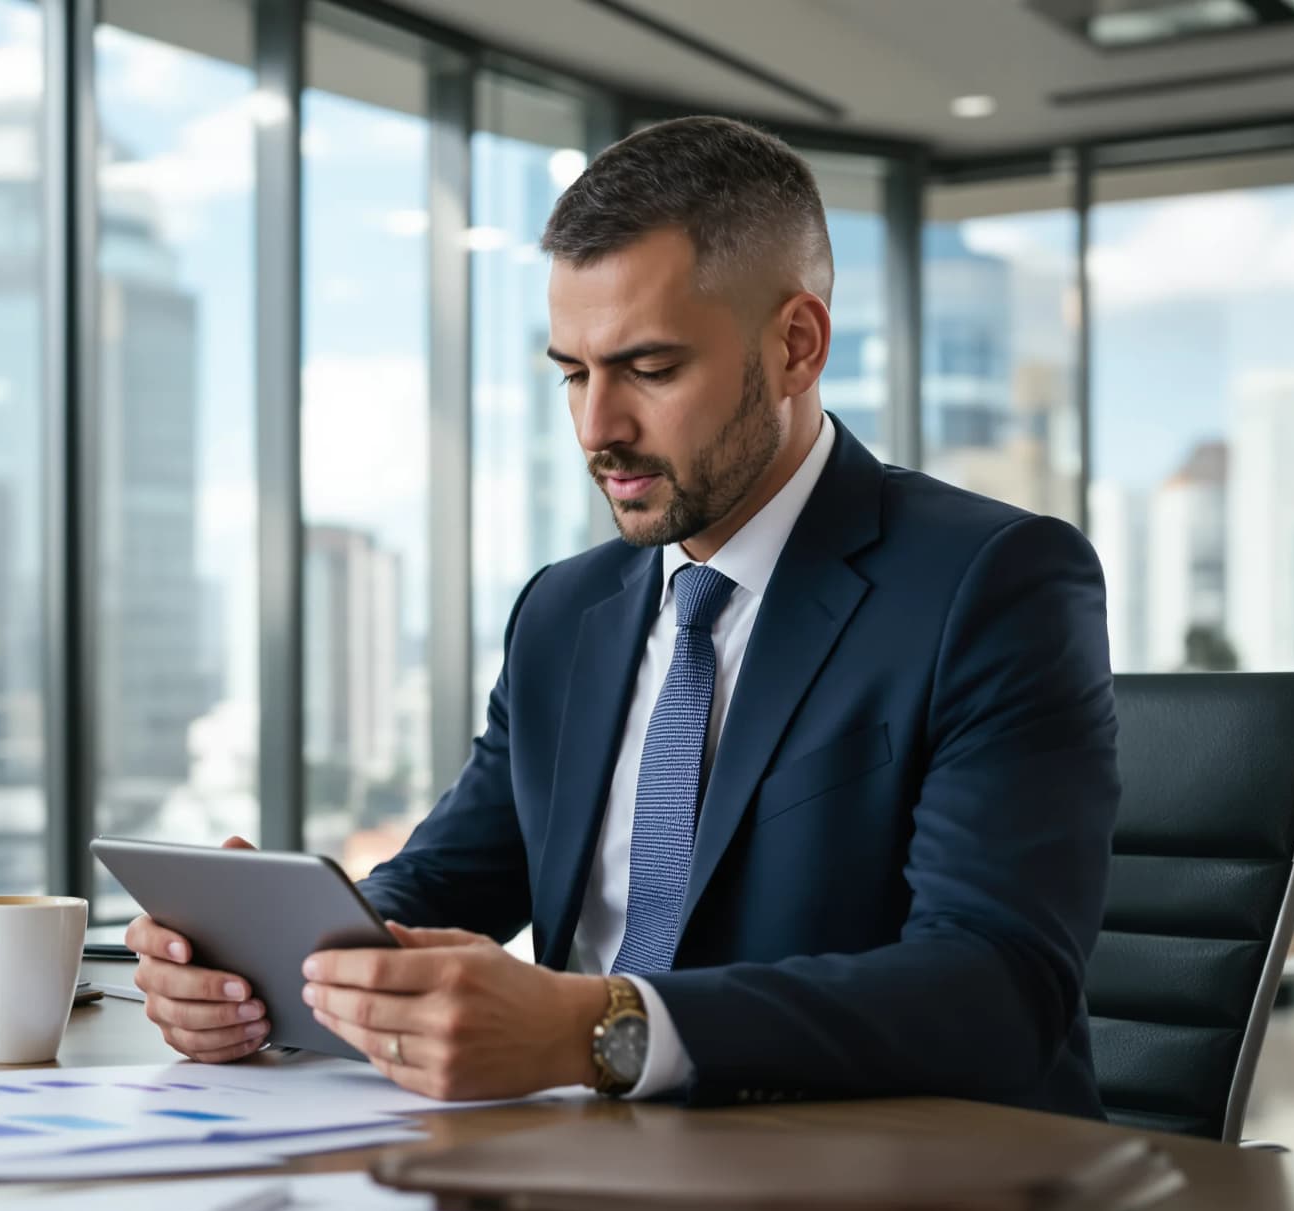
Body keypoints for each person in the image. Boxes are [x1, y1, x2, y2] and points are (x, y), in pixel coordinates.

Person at [128, 116, 1118, 1116]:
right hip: (575, 1164)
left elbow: (999, 987)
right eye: (572, 371)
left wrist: (596, 1026)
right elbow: (444, 879)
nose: (598, 428)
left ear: (797, 346)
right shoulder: (566, 608)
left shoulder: (991, 582)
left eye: (649, 368)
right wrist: (270, 968)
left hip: (876, 1182)